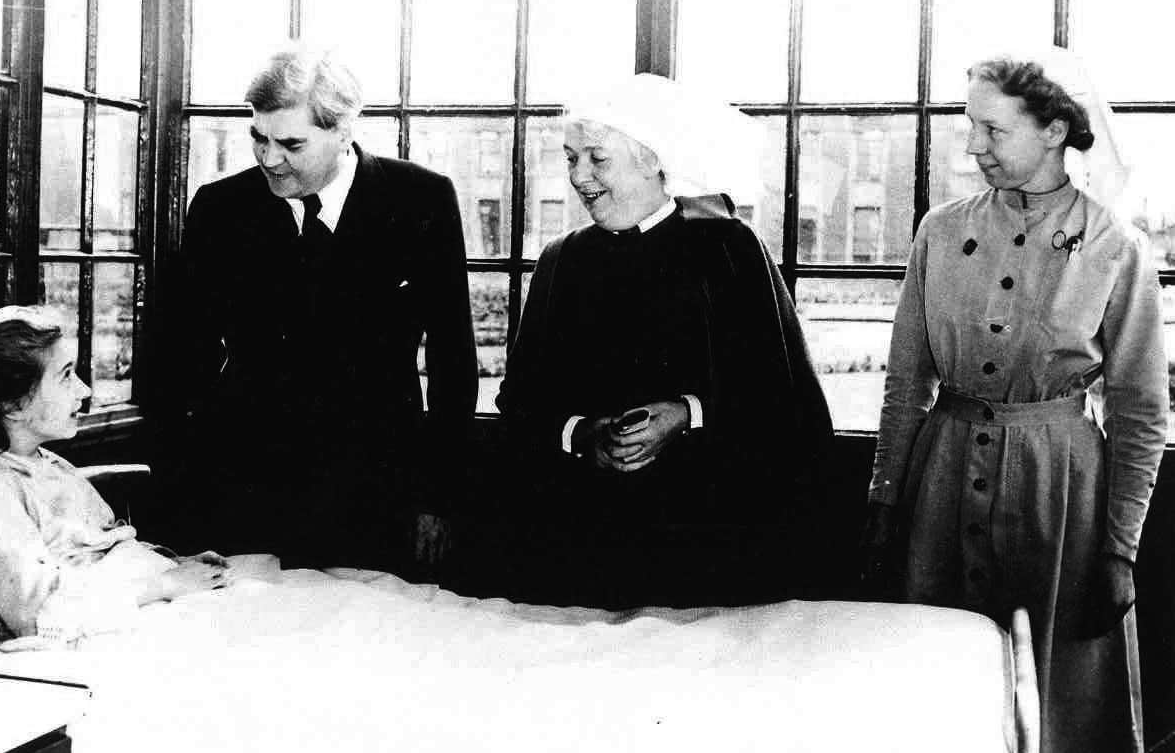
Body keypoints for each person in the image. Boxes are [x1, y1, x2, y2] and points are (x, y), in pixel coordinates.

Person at [863, 48, 1167, 753]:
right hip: (938, 493)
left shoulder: (1115, 248)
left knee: (1053, 703)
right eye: (971, 125)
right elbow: (907, 381)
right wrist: (884, 503)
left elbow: (1141, 410)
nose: (973, 146)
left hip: (1058, 498)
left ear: (1055, 129)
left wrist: (1119, 549)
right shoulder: (940, 230)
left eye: (993, 130)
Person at [493, 74, 841, 610]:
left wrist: (688, 413)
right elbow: (520, 404)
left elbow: (785, 399)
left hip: (708, 547)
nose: (579, 177)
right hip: (584, 549)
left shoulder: (728, 249)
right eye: (569, 158)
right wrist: (585, 434)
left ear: (654, 160)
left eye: (597, 159)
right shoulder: (561, 261)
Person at [168, 46, 477, 575]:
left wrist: (437, 499)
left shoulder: (420, 200)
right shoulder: (218, 209)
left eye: (291, 144)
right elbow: (178, 357)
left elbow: (453, 360)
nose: (269, 159)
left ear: (343, 131)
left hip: (377, 489)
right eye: (259, 138)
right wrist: (188, 481)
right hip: (245, 488)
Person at [0, 306, 228, 650]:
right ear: (11, 405)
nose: (84, 390)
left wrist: (173, 564)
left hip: (144, 602)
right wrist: (166, 584)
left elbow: (96, 545)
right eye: (65, 376)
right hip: (96, 637)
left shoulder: (42, 462)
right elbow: (42, 617)